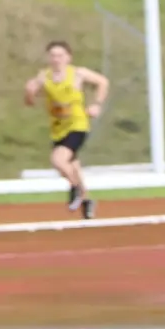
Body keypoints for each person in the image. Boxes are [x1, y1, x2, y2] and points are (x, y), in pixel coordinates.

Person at [23, 40, 108, 219]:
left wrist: (97, 104)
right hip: (58, 129)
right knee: (73, 167)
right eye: (53, 56)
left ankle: (75, 189)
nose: (56, 59)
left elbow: (102, 82)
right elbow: (30, 102)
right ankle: (86, 200)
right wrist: (29, 93)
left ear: (68, 57)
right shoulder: (43, 77)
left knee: (58, 160)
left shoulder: (77, 74)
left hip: (77, 125)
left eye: (60, 56)